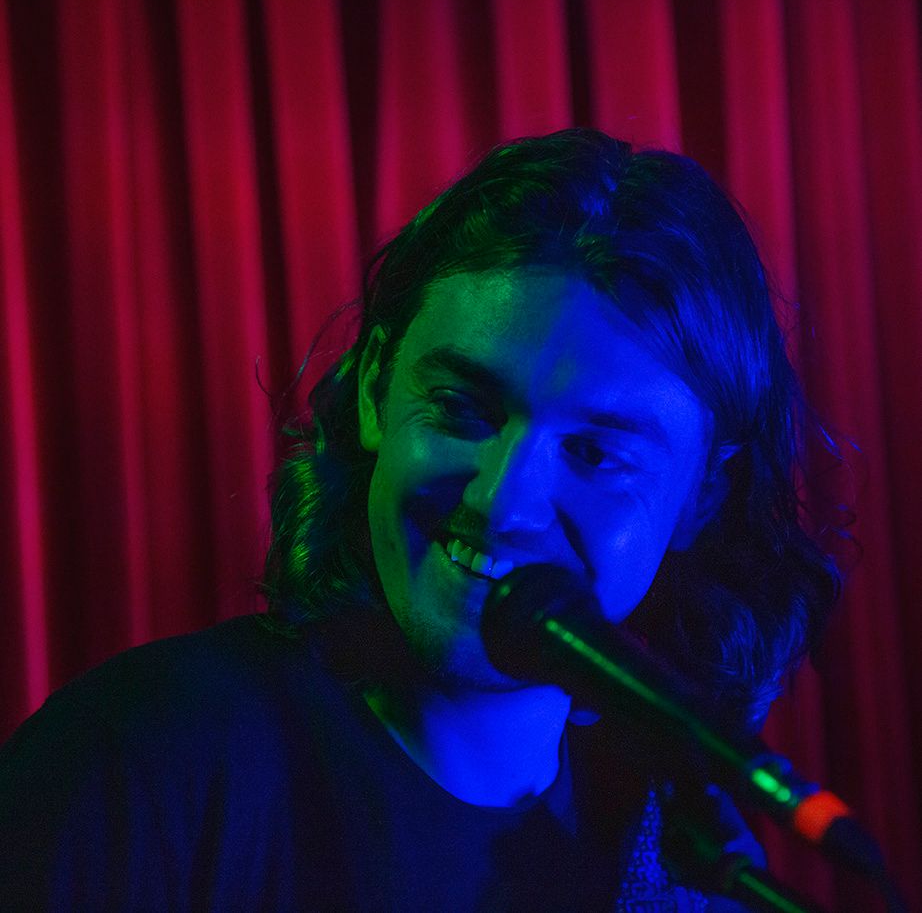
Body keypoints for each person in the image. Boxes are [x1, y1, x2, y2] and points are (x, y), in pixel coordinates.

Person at [0, 129, 840, 911]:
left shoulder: (683, 864)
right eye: (463, 407)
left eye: (596, 453)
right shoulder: (135, 763)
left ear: (702, 497)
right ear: (374, 388)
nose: (503, 502)